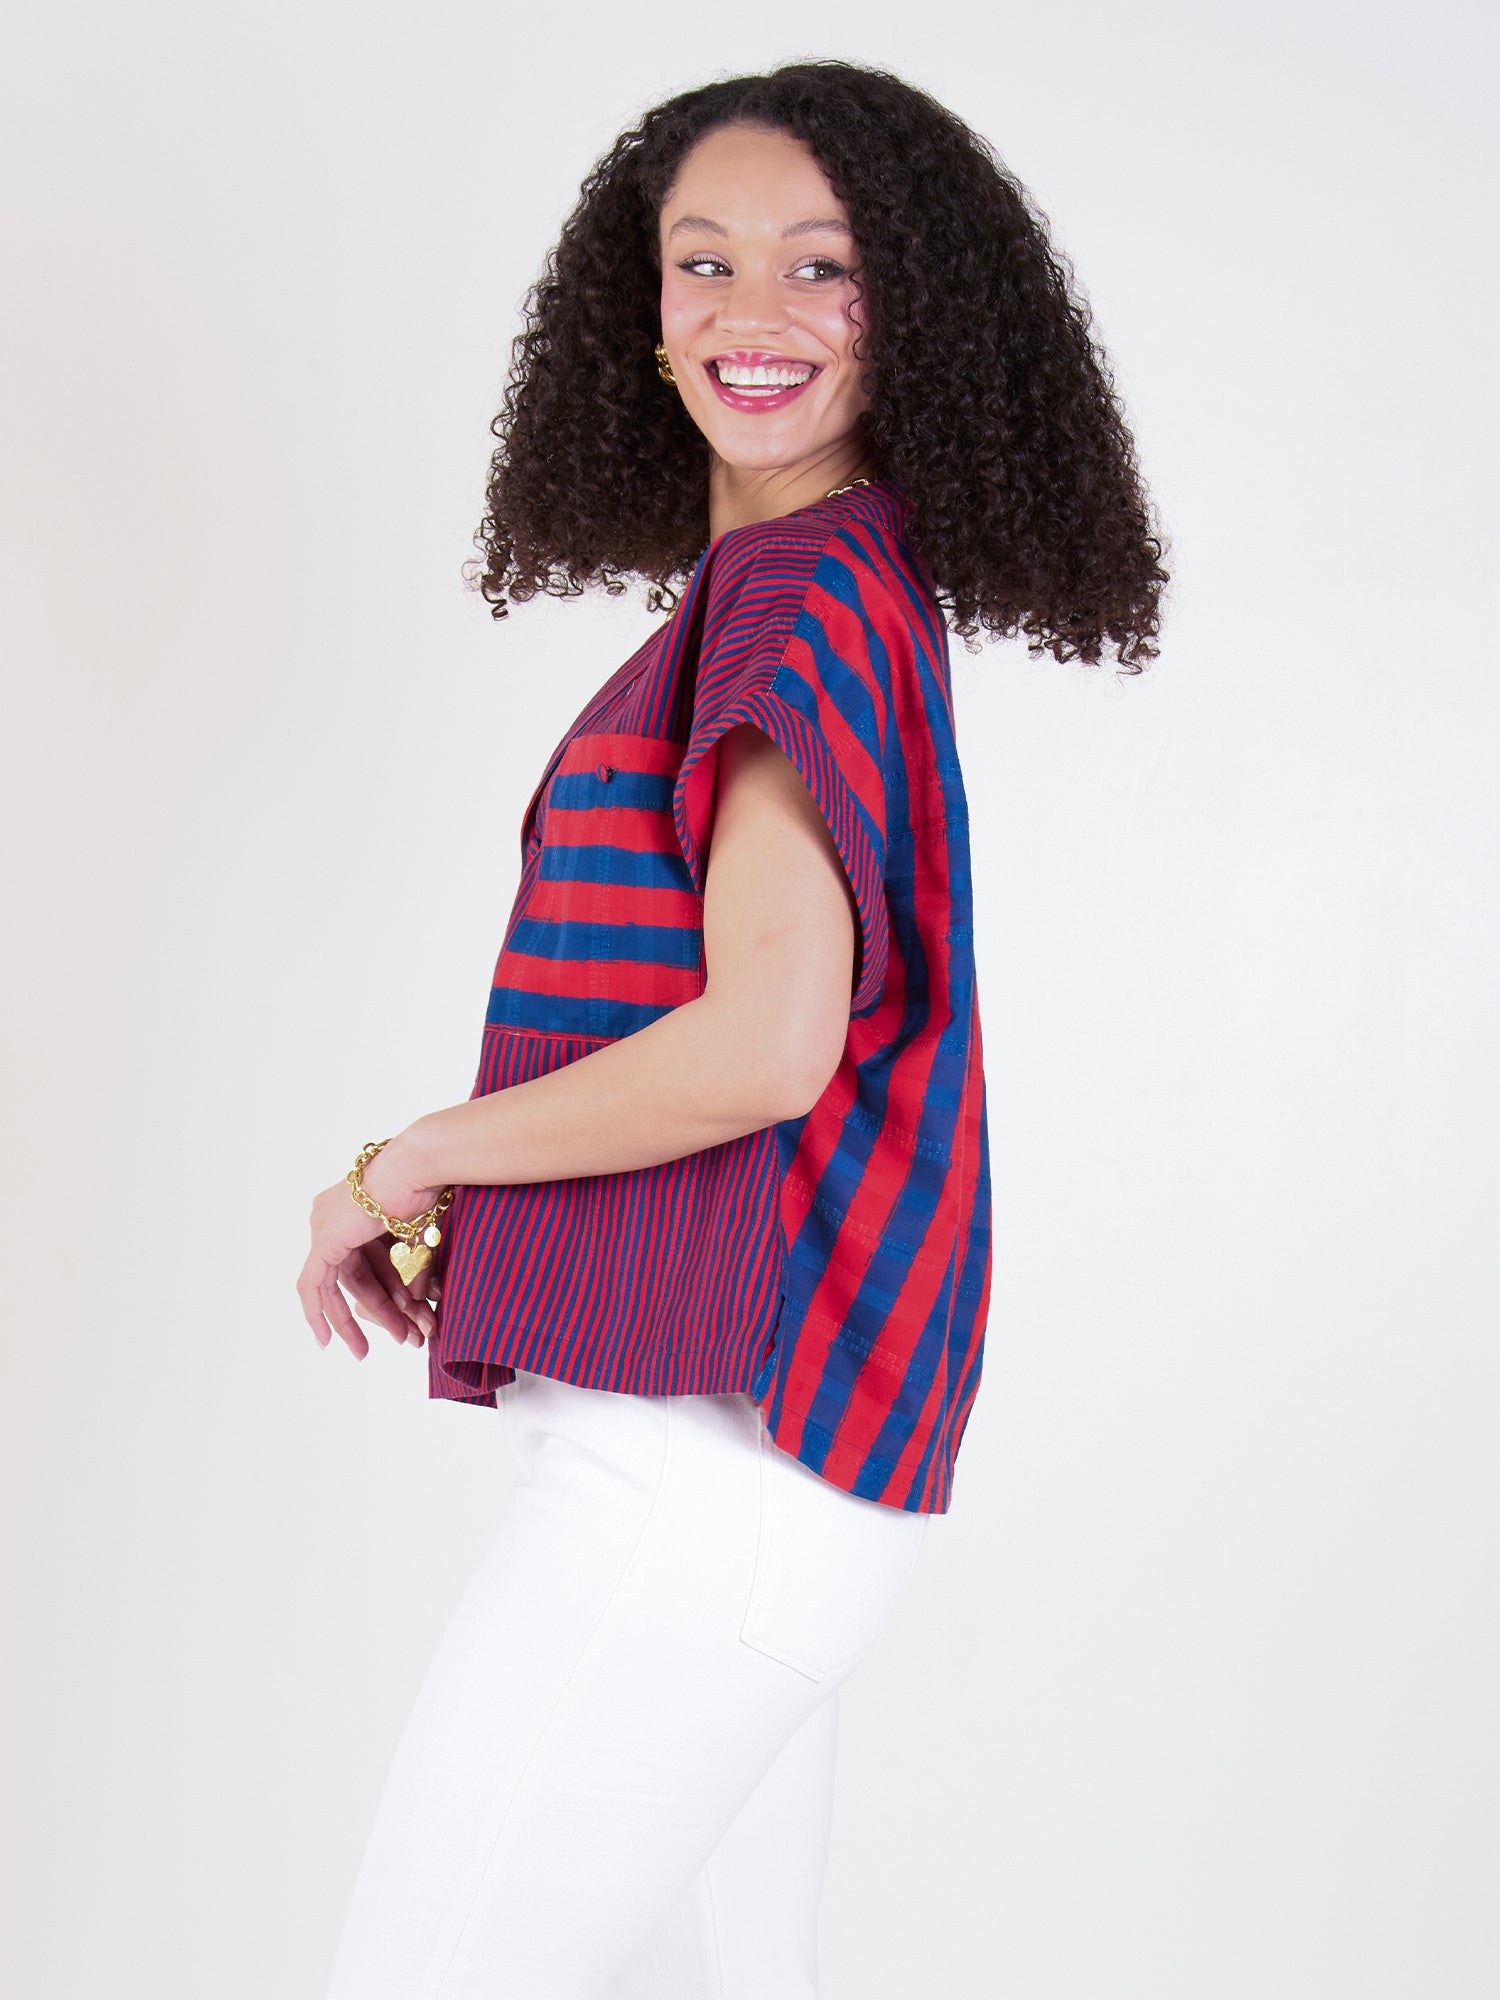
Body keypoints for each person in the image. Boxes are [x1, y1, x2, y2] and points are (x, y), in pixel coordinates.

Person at [298, 59, 1168, 2000]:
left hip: (695, 1487)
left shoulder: (796, 604)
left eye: (819, 265)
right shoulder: (819, 587)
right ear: (641, 307)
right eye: (704, 261)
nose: (750, 312)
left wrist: (409, 1161)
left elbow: (772, 1040)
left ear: (914, 313)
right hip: (744, 1488)